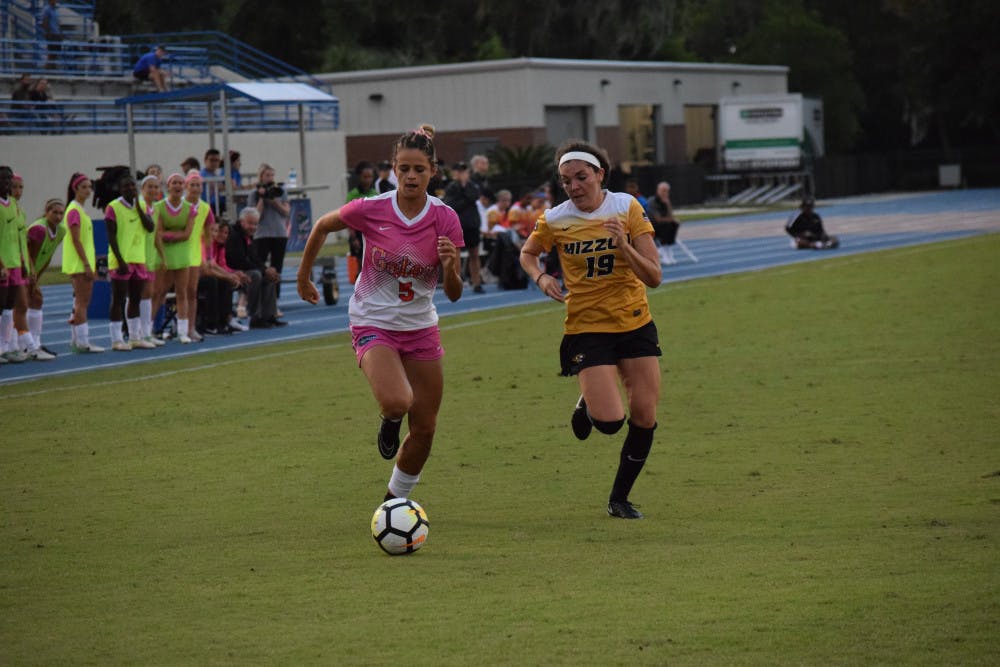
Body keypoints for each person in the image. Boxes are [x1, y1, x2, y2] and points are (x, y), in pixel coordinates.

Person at [296, 124, 464, 503]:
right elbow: (322, 226)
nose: (411, 176)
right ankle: (390, 420)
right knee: (397, 402)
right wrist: (303, 277)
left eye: (419, 169)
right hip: (374, 322)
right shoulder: (371, 208)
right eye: (404, 168)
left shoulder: (445, 218)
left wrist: (451, 268)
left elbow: (454, 294)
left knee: (425, 428)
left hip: (420, 327)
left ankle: (394, 503)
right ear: (393, 169)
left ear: (433, 172)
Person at [519, 140, 663, 520]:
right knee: (611, 423)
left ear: (600, 174)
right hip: (587, 326)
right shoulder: (555, 219)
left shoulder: (627, 208)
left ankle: (619, 499)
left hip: (634, 322)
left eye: (581, 177)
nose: (574, 186)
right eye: (566, 181)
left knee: (644, 415)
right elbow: (527, 253)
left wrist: (623, 246)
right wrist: (541, 277)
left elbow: (654, 276)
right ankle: (589, 399)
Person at [104, 174, 157, 351]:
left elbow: (150, 227)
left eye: (133, 186)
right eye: (126, 186)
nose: (131, 189)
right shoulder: (113, 207)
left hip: (138, 259)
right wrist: (120, 260)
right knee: (118, 299)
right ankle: (116, 339)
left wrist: (139, 209)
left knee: (135, 298)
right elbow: (111, 236)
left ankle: (135, 337)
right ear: (120, 189)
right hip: (121, 260)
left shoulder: (141, 205)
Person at [61, 172, 104, 352]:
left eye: (89, 187)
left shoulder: (79, 209)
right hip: (79, 264)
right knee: (82, 303)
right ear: (75, 189)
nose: (88, 190)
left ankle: (76, 340)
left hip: (81, 262)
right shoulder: (74, 211)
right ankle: (83, 342)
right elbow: (76, 240)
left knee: (78, 303)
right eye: (84, 187)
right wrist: (86, 264)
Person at [153, 172, 196, 343]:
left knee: (181, 292)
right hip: (164, 254)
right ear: (168, 186)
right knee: (159, 292)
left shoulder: (189, 208)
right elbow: (158, 232)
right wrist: (175, 235)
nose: (177, 186)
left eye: (180, 183)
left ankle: (182, 332)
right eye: (174, 183)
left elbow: (187, 234)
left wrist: (169, 235)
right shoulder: (159, 207)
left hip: (182, 254)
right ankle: (148, 330)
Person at [225, 207, 283, 328]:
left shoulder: (248, 236)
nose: (253, 227)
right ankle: (255, 316)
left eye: (255, 224)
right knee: (256, 276)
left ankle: (268, 315)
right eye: (250, 223)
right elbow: (239, 261)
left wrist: (267, 269)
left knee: (269, 277)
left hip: (244, 269)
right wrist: (263, 271)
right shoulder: (234, 236)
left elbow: (255, 258)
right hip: (233, 271)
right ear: (242, 222)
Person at [25, 198, 65, 357]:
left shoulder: (61, 231)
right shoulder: (39, 229)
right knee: (18, 305)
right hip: (22, 268)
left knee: (35, 301)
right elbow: (28, 254)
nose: (58, 216)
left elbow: (48, 255)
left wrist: (37, 277)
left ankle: (34, 343)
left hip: (33, 271)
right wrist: (31, 274)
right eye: (54, 212)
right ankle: (21, 345)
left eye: (61, 213)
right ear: (47, 212)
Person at [247, 163, 290, 301]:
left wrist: (273, 201)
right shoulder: (254, 194)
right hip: (261, 235)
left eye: (272, 175)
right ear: (261, 177)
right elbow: (255, 216)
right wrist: (262, 198)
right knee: (260, 267)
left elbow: (286, 212)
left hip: (279, 233)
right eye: (267, 175)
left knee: (277, 268)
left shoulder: (280, 191)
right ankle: (260, 297)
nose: (270, 178)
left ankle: (274, 299)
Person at [198, 221, 249, 334]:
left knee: (225, 281)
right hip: (195, 277)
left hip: (206, 275)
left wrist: (232, 275)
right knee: (215, 281)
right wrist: (228, 276)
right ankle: (211, 323)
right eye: (213, 231)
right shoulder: (202, 243)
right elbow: (206, 269)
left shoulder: (217, 246)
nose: (215, 234)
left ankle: (225, 320)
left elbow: (217, 266)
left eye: (216, 231)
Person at [183, 170, 215, 339]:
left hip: (194, 255)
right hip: (177, 253)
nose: (195, 188)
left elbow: (208, 235)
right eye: (192, 185)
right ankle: (150, 328)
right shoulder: (178, 205)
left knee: (191, 292)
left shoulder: (205, 208)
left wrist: (208, 257)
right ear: (186, 186)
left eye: (198, 185)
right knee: (162, 291)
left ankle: (190, 328)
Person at [443, 161, 484, 293]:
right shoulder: (451, 187)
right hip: (458, 225)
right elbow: (451, 204)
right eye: (459, 171)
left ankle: (476, 282)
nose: (462, 174)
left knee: (474, 254)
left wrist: (464, 188)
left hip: (472, 224)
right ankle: (457, 283)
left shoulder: (473, 186)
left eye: (464, 171)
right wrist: (465, 199)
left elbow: (474, 196)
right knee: (456, 255)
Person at [137, 175, 165, 346]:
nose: (153, 190)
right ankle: (138, 333)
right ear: (142, 189)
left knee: (149, 294)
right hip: (138, 256)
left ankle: (146, 332)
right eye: (150, 187)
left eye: (156, 187)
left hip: (150, 257)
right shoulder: (140, 206)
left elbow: (156, 235)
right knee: (140, 294)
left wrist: (162, 255)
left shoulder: (155, 208)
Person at [647, 181, 681, 265]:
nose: (665, 193)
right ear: (658, 191)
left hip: (663, 225)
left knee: (674, 224)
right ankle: (663, 249)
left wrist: (668, 204)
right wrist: (670, 219)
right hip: (652, 226)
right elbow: (657, 219)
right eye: (663, 191)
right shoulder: (652, 201)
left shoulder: (665, 201)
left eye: (666, 191)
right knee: (667, 225)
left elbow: (670, 216)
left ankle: (667, 248)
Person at [39, 0, 63, 69]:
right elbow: (44, 22)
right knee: (51, 54)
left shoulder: (55, 10)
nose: (55, 1)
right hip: (52, 35)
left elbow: (57, 23)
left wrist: (60, 33)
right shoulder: (47, 9)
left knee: (55, 54)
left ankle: (53, 69)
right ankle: (47, 70)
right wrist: (48, 34)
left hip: (56, 34)